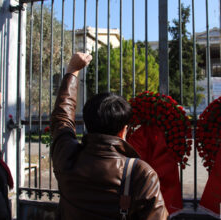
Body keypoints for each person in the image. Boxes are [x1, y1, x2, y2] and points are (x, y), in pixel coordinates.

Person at [51, 53, 169, 220]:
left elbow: (61, 118)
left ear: (88, 123)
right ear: (123, 131)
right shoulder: (140, 173)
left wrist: (72, 70)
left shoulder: (66, 156)